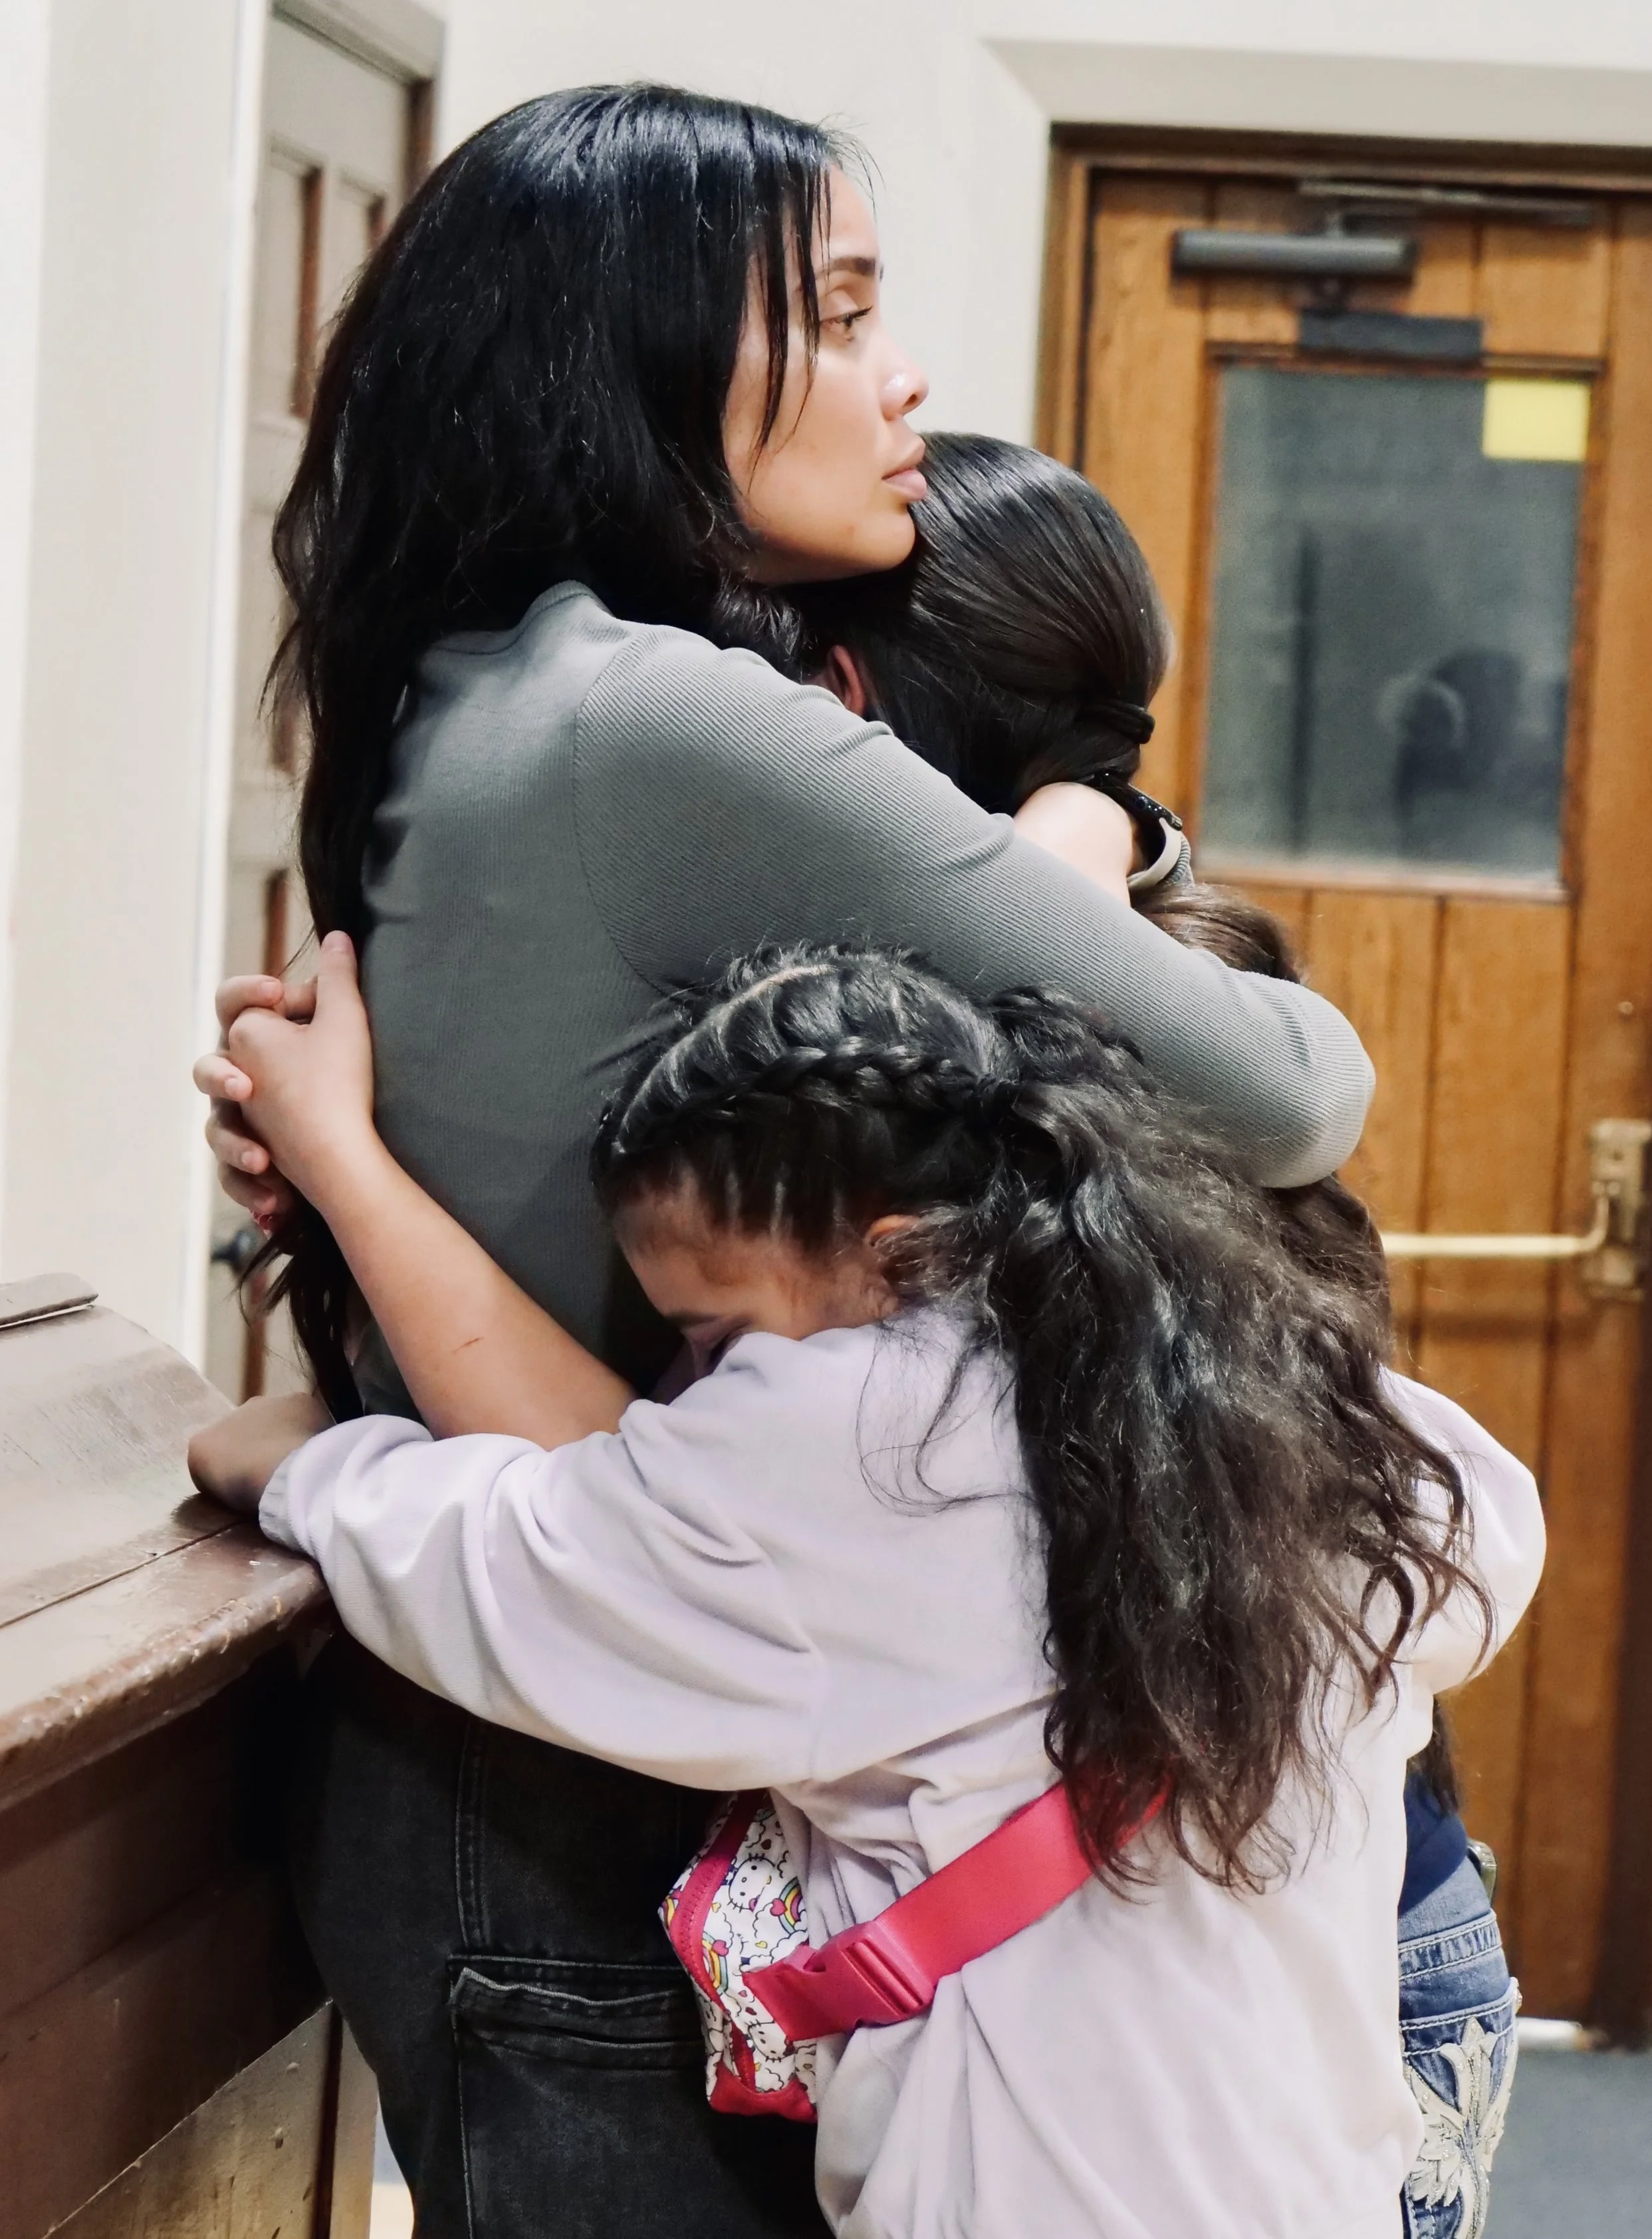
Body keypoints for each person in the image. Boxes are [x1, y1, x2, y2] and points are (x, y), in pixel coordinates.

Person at [197, 83, 1376, 2238]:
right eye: (836, 312)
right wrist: (1090, 834)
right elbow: (1290, 1086)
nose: (901, 371)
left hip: (515, 1756)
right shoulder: (654, 715)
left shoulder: (468, 689)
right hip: (592, 1798)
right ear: (638, 366)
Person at [190, 931, 1544, 2239]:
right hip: (1323, 2177)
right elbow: (1485, 1534)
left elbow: (511, 1558)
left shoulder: (862, 1440)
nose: (692, 1387)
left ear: (893, 1258)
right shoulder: (1246, 1383)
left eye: (711, 1332)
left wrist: (309, 1454)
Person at [800, 431, 1523, 2234]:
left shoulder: (1060, 1030)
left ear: (851, 697)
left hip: (1235, 1967)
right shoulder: (1150, 958)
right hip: (1275, 1917)